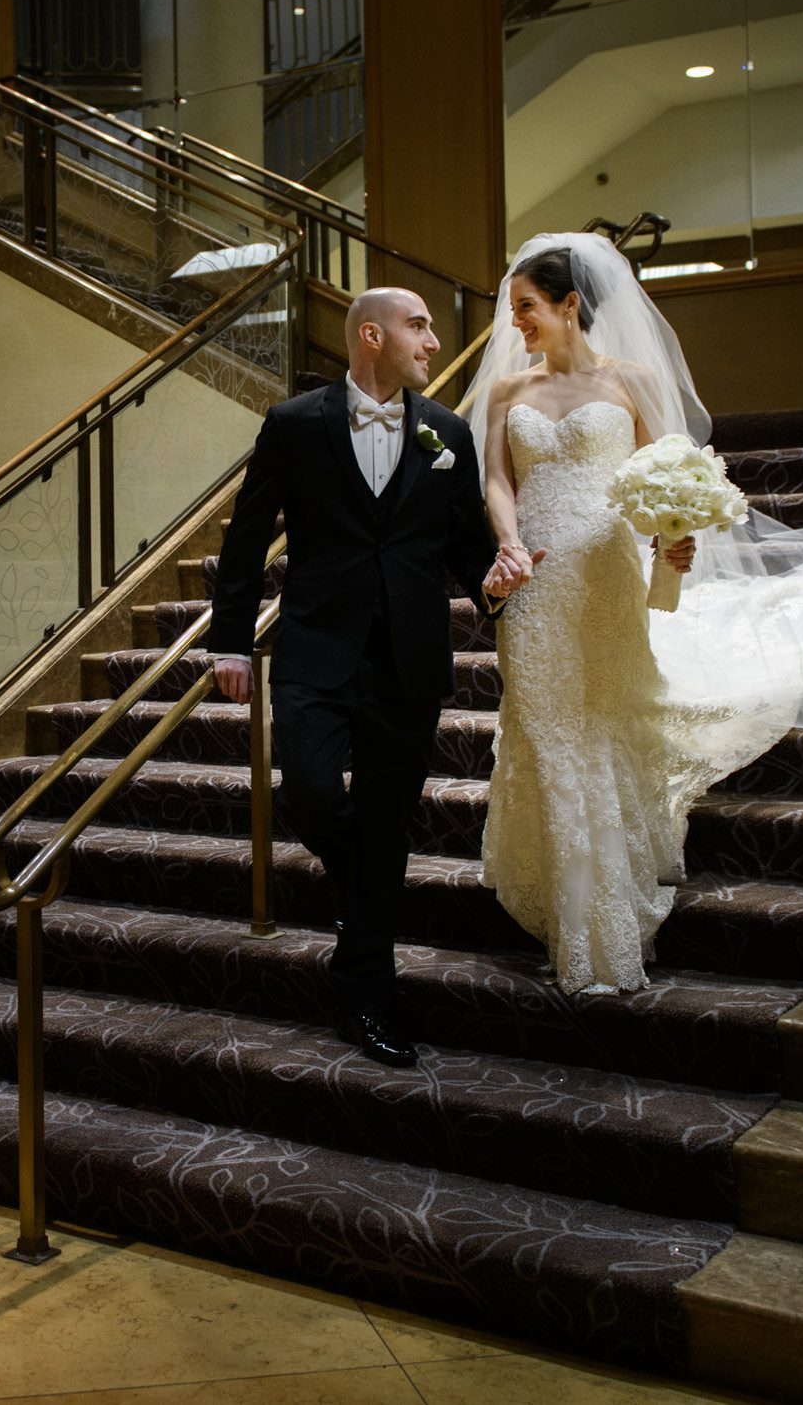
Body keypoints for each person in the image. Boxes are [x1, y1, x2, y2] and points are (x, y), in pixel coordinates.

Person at [469, 232, 803, 995]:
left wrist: (672, 536)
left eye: (527, 307)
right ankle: (577, 917)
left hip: (606, 578)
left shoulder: (630, 381)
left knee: (605, 722)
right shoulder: (507, 394)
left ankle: (605, 914)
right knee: (551, 731)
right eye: (512, 311)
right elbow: (498, 480)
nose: (516, 324)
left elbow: (666, 477)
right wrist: (508, 540)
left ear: (570, 305)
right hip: (535, 583)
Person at [209, 287, 534, 1067]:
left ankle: (367, 992)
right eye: (417, 326)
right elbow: (248, 536)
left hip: (409, 659)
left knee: (388, 820)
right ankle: (365, 892)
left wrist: (494, 581)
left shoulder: (446, 432)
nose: (431, 340)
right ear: (371, 335)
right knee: (312, 790)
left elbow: (462, 548)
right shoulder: (294, 425)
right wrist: (226, 644)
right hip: (316, 649)